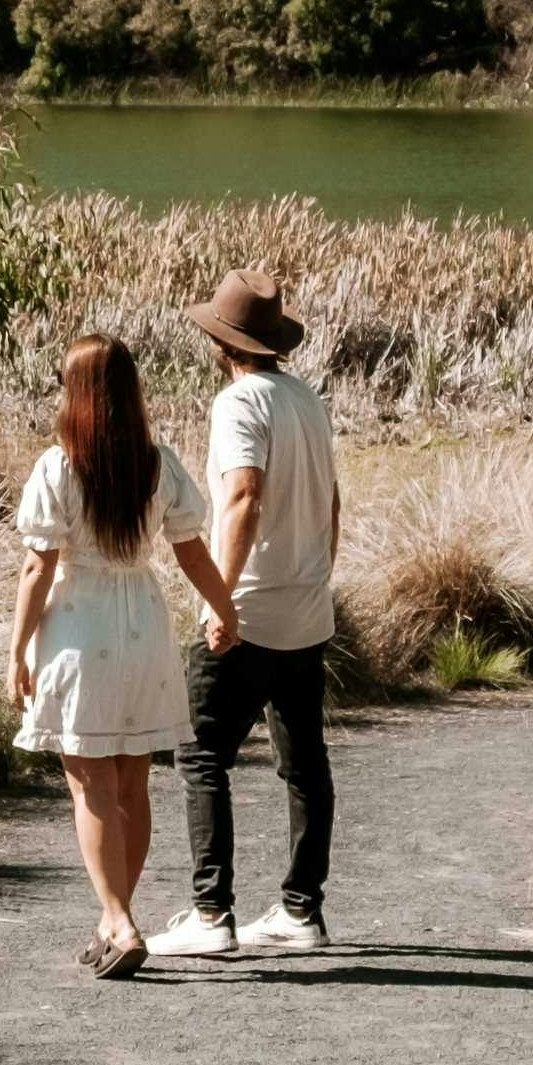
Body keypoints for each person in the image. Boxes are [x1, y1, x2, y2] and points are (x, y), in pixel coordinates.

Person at [10, 334, 240, 980]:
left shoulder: (58, 467)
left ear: (75, 394)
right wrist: (224, 607)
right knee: (131, 783)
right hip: (142, 621)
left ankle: (117, 917)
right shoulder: (156, 464)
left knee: (89, 784)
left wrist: (18, 649)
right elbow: (191, 548)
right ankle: (118, 914)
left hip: (80, 624)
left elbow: (37, 566)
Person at [152, 269, 340, 961]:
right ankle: (301, 909)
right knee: (304, 763)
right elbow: (332, 502)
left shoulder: (237, 403)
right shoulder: (305, 398)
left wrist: (217, 597)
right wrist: (319, 574)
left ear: (218, 340)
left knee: (199, 751)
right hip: (306, 604)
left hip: (251, 604)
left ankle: (210, 911)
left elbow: (241, 498)